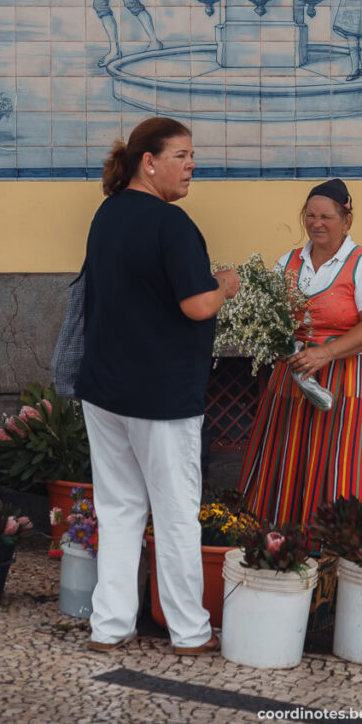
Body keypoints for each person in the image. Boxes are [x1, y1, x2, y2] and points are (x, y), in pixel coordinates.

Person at [75, 117, 240, 654]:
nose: (192, 165)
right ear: (149, 162)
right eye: (182, 155)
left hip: (105, 389)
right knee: (173, 514)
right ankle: (189, 632)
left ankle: (110, 627)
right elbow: (196, 305)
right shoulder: (172, 225)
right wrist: (226, 286)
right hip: (161, 396)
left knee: (118, 509)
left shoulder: (107, 215)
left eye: (193, 155)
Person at [238, 178, 362, 526]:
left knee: (343, 459)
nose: (316, 223)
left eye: (327, 216)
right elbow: (271, 317)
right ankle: (281, 538)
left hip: (347, 377)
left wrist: (325, 354)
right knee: (287, 455)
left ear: (346, 220)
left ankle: (340, 545)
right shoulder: (288, 263)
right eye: (310, 216)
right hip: (293, 375)